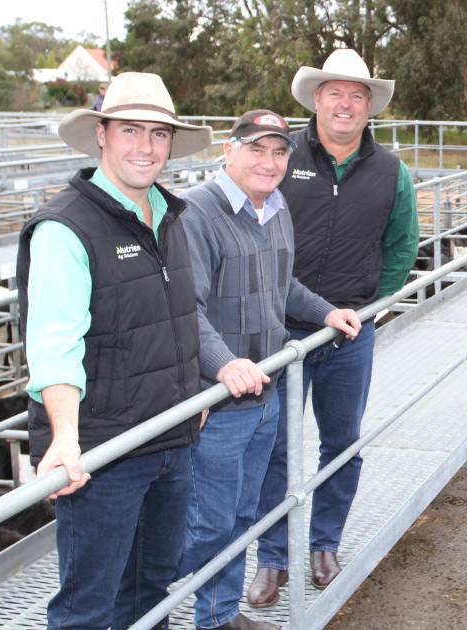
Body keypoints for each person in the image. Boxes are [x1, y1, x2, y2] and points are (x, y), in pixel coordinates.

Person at [15, 72, 213, 629]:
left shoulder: (170, 214)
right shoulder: (65, 228)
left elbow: (173, 316)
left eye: (158, 133)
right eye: (130, 130)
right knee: (88, 605)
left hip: (171, 436)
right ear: (101, 134)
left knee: (151, 586)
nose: (145, 147)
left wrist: (191, 385)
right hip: (105, 453)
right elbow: (55, 340)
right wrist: (65, 438)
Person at [174, 109, 361, 630]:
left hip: (266, 391)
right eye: (256, 148)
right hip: (220, 400)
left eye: (280, 151)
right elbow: (186, 309)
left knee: (240, 514)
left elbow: (283, 288)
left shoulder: (276, 208)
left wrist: (326, 310)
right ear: (228, 151)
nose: (269, 161)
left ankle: (217, 615)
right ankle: (146, 601)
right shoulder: (196, 213)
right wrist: (221, 366)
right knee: (206, 523)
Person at [247, 48, 419, 607]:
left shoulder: (392, 172)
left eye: (357, 95)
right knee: (273, 444)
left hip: (349, 330)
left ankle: (325, 543)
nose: (345, 104)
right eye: (335, 93)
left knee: (342, 442)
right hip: (280, 331)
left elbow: (401, 246)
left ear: (370, 106)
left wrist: (374, 306)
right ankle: (272, 557)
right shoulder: (279, 156)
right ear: (316, 99)